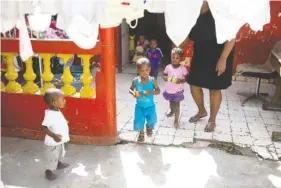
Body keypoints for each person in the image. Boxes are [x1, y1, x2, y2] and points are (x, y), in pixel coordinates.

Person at [186, 2, 235, 132]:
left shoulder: (220, 10)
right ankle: (202, 111)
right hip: (201, 54)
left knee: (214, 87)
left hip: (219, 55)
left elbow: (231, 37)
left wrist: (223, 59)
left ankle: (212, 120)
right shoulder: (191, 14)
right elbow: (186, 36)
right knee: (194, 85)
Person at [41, 88, 70, 181]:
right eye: (62, 99)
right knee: (51, 157)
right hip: (53, 143)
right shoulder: (50, 114)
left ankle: (58, 163)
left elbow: (56, 120)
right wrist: (54, 136)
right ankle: (48, 172)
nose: (65, 100)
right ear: (54, 103)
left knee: (59, 154)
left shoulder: (56, 110)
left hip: (59, 141)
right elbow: (43, 127)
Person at [129, 57, 160, 142]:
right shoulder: (135, 81)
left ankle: (149, 126)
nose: (144, 72)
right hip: (139, 106)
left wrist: (150, 92)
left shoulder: (152, 80)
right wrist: (134, 93)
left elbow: (158, 91)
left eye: (146, 70)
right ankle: (141, 133)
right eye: (142, 70)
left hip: (150, 106)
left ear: (149, 69)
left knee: (151, 120)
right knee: (139, 121)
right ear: (138, 71)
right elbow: (130, 89)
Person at [163, 48, 188, 128]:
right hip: (169, 90)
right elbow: (164, 76)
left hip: (178, 91)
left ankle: (176, 120)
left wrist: (181, 80)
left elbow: (186, 79)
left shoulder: (182, 68)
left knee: (177, 105)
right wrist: (167, 78)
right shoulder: (168, 67)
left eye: (177, 58)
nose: (175, 59)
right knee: (171, 102)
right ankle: (172, 111)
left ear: (181, 59)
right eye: (173, 57)